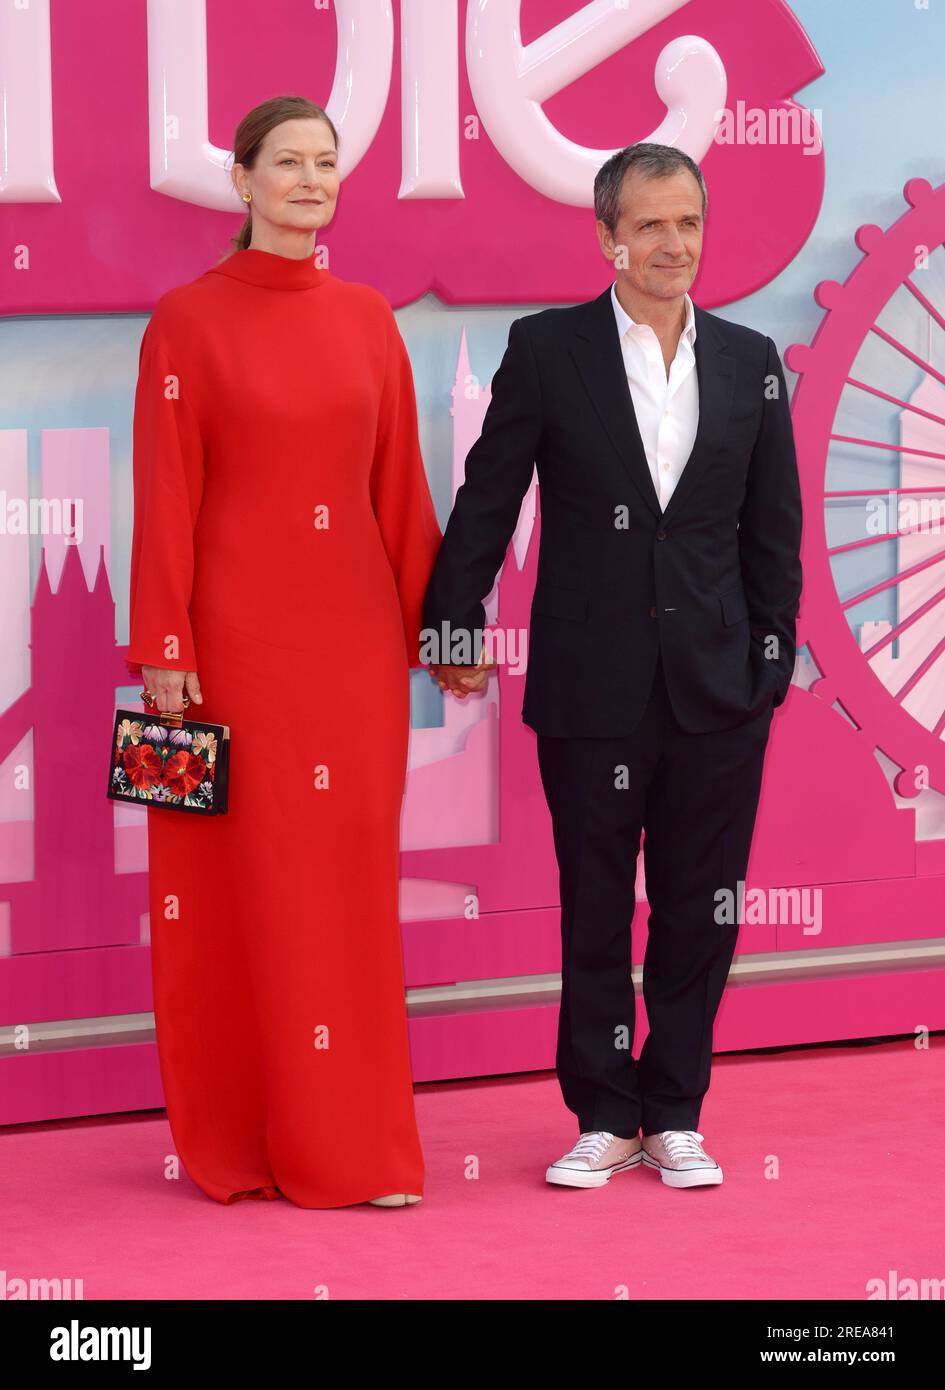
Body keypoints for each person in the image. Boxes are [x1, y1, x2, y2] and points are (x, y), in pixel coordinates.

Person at [423, 142, 802, 1190]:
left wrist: (770, 660)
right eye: (649, 225)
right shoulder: (549, 351)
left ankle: (675, 1107)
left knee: (699, 903)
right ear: (607, 236)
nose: (671, 244)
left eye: (687, 223)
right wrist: (454, 622)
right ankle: (602, 1109)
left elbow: (775, 533)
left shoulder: (751, 359)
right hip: (592, 684)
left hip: (722, 689)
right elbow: (489, 497)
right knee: (594, 901)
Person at [125, 94, 441, 1209]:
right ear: (244, 183)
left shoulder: (368, 318)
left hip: (353, 657)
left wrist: (439, 627)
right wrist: (163, 642)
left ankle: (353, 1149)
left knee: (347, 890)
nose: (311, 180)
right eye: (288, 163)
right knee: (237, 889)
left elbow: (400, 492)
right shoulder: (186, 320)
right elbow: (167, 491)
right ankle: (242, 1138)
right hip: (228, 659)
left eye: (326, 163)